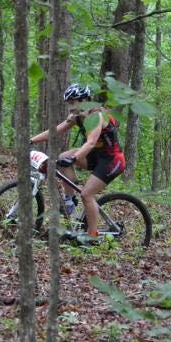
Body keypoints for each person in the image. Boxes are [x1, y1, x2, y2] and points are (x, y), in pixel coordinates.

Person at [29, 84, 126, 244]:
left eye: (73, 101)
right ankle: (69, 201)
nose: (70, 105)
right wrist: (32, 139)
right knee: (62, 157)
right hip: (95, 156)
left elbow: (90, 143)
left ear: (84, 100)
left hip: (112, 160)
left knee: (87, 194)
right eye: (69, 102)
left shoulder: (97, 116)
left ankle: (92, 236)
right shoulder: (77, 116)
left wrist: (74, 158)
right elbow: (56, 130)